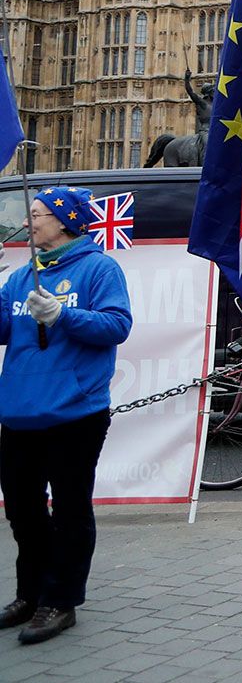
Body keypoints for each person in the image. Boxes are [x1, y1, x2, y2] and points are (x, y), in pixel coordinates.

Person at [0, 186, 132, 645]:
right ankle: (31, 593)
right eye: (30, 213)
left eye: (37, 214)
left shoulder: (99, 268)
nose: (30, 220)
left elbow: (118, 325)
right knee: (22, 510)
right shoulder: (21, 277)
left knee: (70, 510)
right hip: (19, 414)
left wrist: (63, 316)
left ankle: (60, 601)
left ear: (64, 220)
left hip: (74, 414)